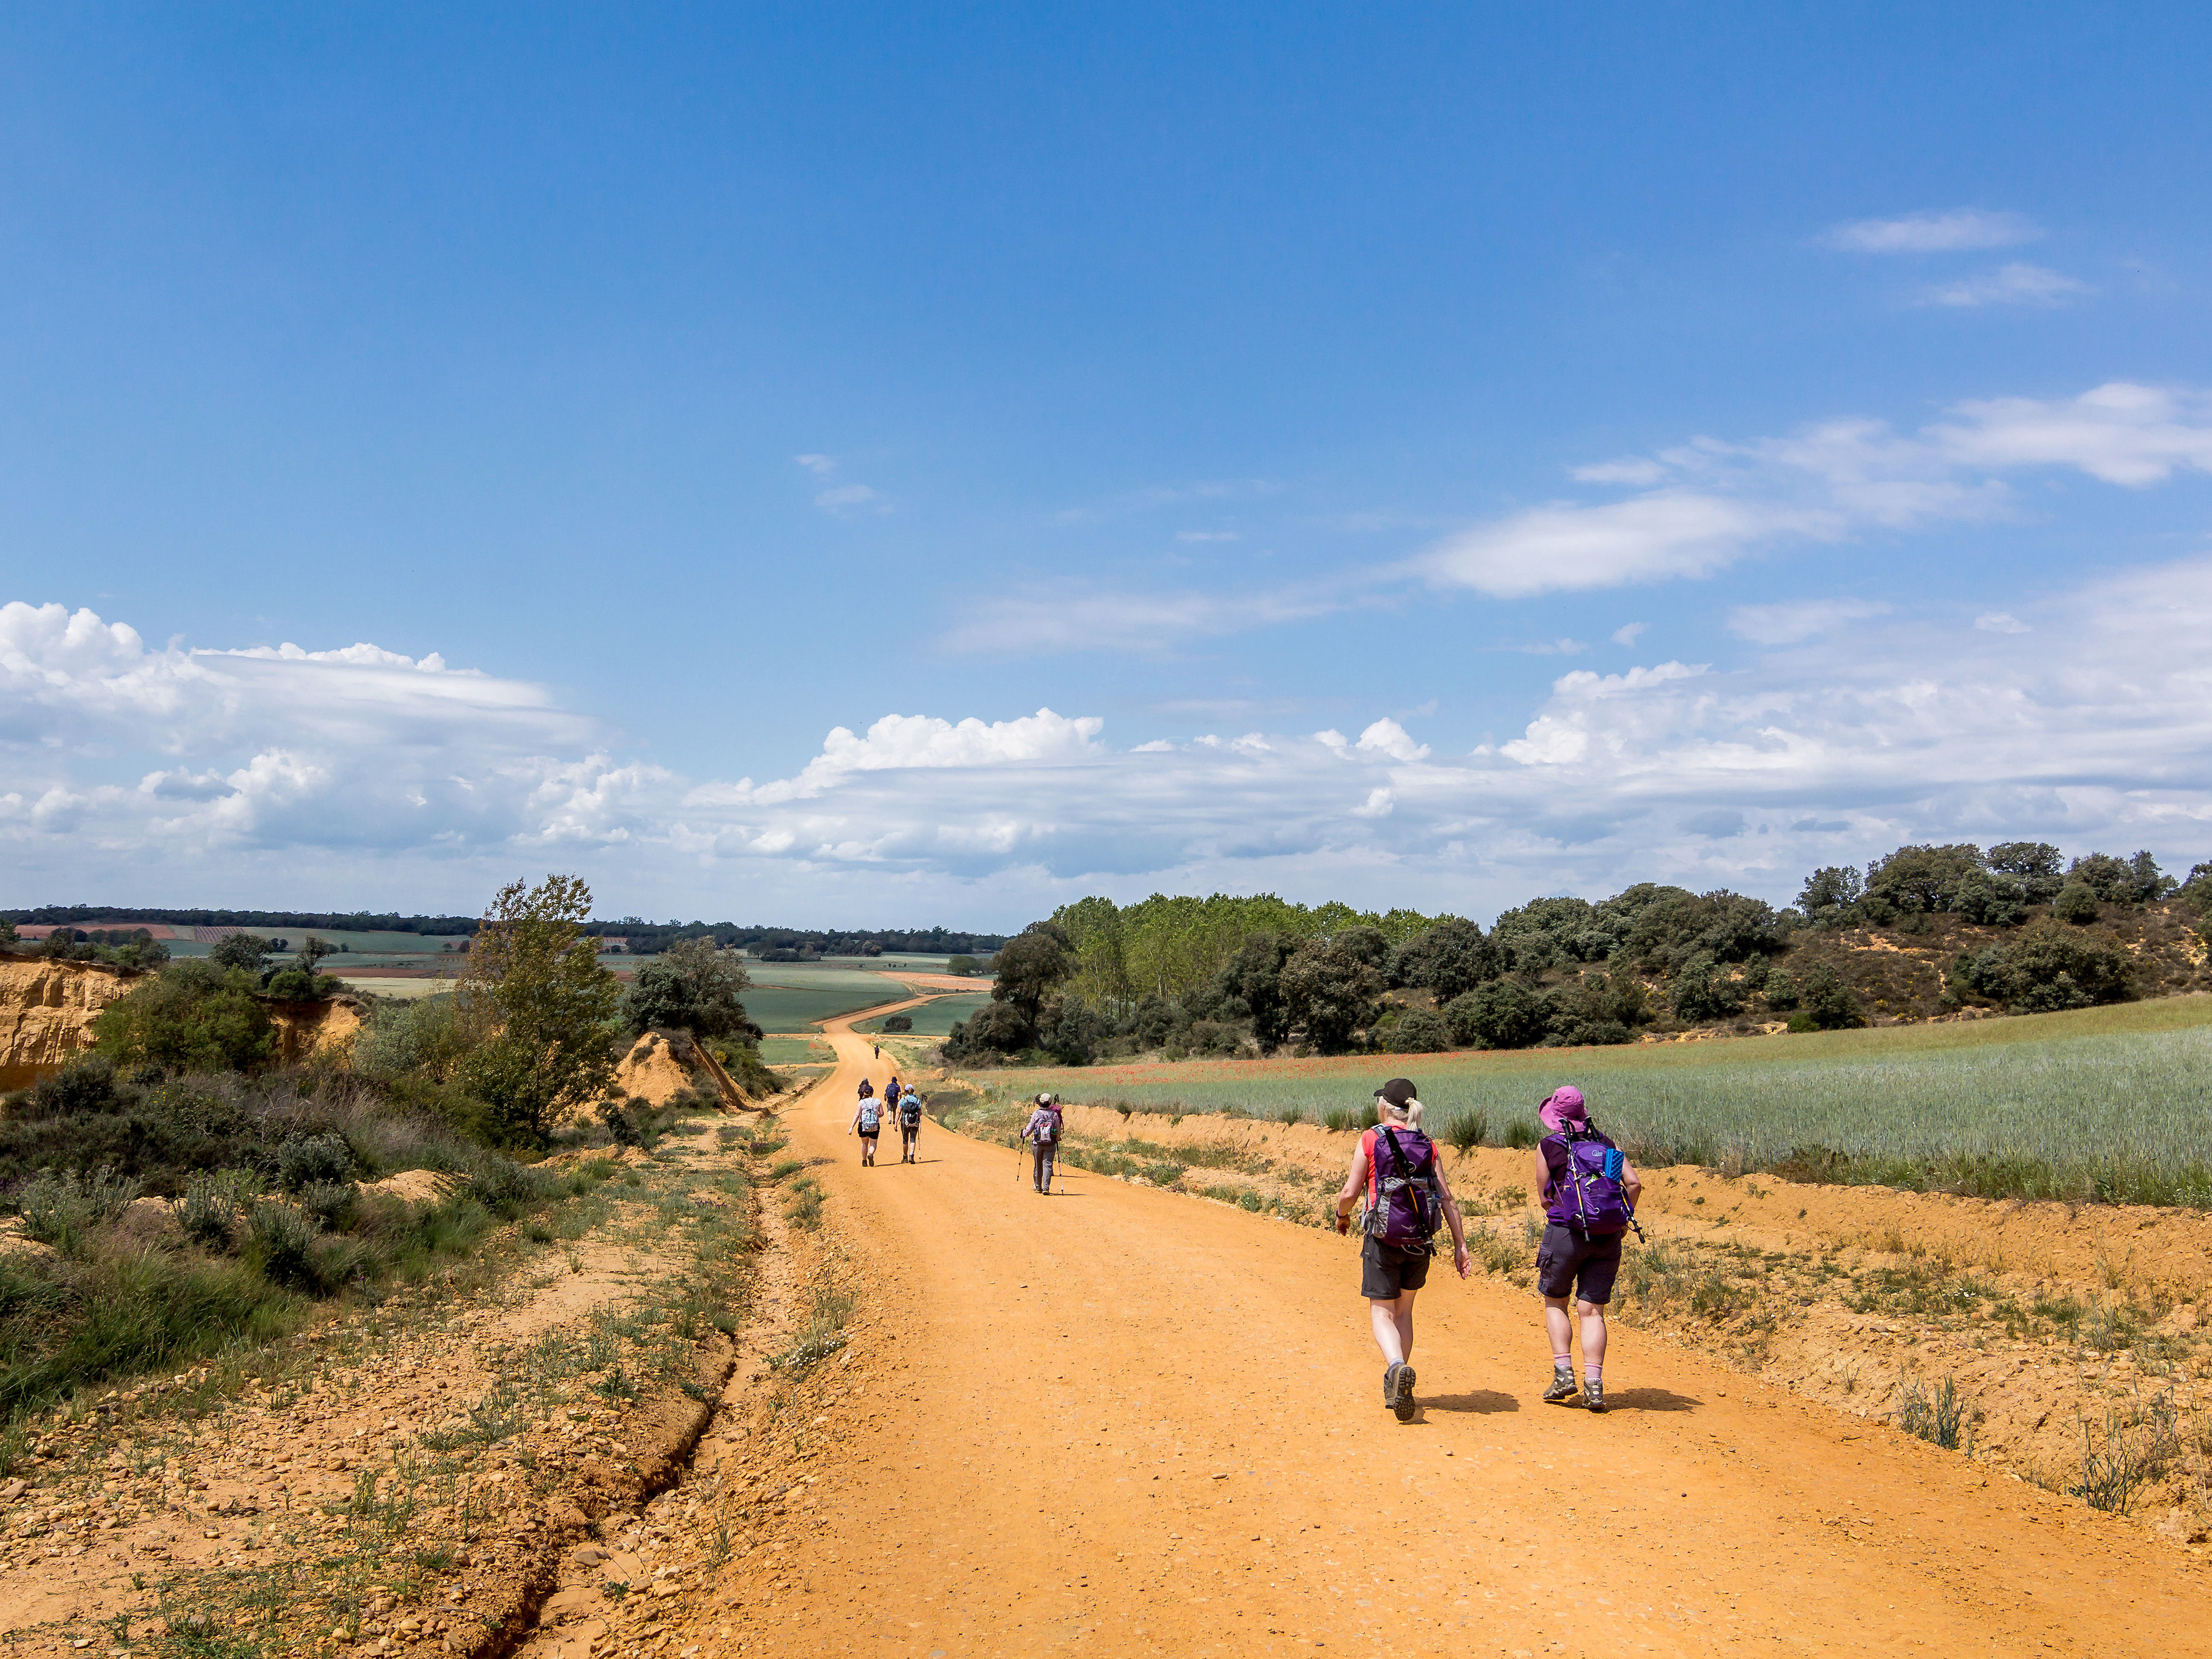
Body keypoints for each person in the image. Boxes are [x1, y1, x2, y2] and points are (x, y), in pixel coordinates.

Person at [1332, 1077, 1471, 1422]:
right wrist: (1460, 1245)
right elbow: (1447, 1198)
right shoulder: (1428, 1144)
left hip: (1382, 1237)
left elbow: (1350, 1192)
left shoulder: (1371, 1138)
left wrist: (1341, 1216)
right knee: (1404, 1312)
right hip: (1420, 1240)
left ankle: (1395, 1367)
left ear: (1385, 1107)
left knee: (1381, 1312)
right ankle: (1401, 1382)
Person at [1531, 1085, 1641, 1413]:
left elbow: (1544, 1196)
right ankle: (1595, 1386)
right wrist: (1622, 1221)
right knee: (1592, 1310)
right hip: (1607, 1237)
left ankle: (1564, 1374)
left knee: (1556, 1301)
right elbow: (1633, 1183)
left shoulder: (1549, 1146)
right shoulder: (1606, 1144)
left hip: (1565, 1233)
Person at [1022, 1092, 1063, 1193]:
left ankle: (1038, 1186)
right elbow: (1058, 1129)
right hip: (1050, 1144)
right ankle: (1046, 1187)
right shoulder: (1054, 1115)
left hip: (1037, 1144)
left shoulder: (1036, 1114)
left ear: (1040, 1103)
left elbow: (1030, 1128)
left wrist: (1024, 1133)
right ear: (1050, 1103)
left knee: (1038, 1165)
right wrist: (1057, 1139)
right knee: (1048, 1165)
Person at [850, 1086, 883, 1166]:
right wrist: (875, 1116)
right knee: (873, 1144)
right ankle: (871, 1154)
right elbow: (882, 1113)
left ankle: (864, 1161)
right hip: (875, 1126)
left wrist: (852, 1127)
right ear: (872, 1092)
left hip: (863, 1125)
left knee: (864, 1143)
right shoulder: (878, 1101)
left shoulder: (861, 1102)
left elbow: (857, 1115)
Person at [897, 1086, 924, 1163]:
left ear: (906, 1092)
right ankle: (911, 1156)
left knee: (905, 1140)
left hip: (904, 1123)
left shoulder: (903, 1100)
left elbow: (899, 1111)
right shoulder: (917, 1101)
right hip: (915, 1122)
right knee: (913, 1139)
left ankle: (905, 1158)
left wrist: (896, 1123)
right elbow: (920, 1113)